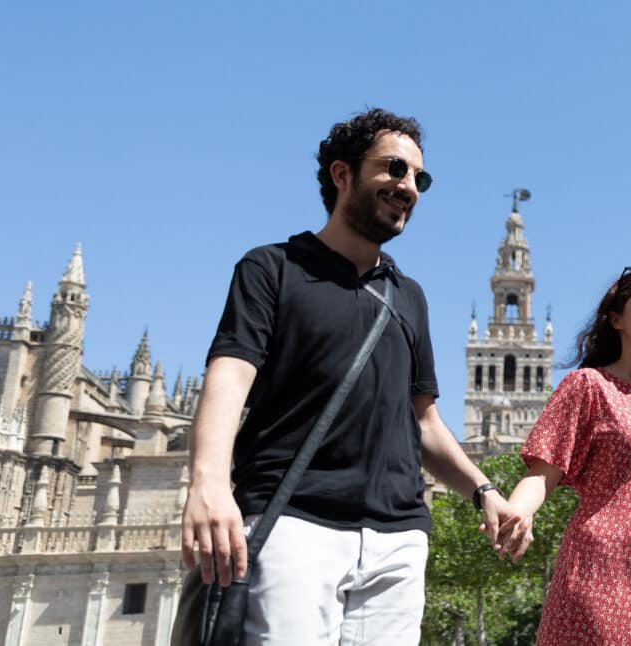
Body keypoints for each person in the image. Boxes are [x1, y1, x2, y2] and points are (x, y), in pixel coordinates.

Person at [179, 108, 515, 644]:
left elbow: (423, 420)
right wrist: (208, 484)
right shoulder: (271, 269)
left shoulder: (409, 297)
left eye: (418, 178)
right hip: (293, 521)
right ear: (342, 175)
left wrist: (484, 491)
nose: (408, 187)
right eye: (394, 169)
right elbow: (229, 378)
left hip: (398, 539)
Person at [495, 267, 631, 644]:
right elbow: (542, 472)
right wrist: (517, 512)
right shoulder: (587, 387)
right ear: (616, 318)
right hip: (602, 572)